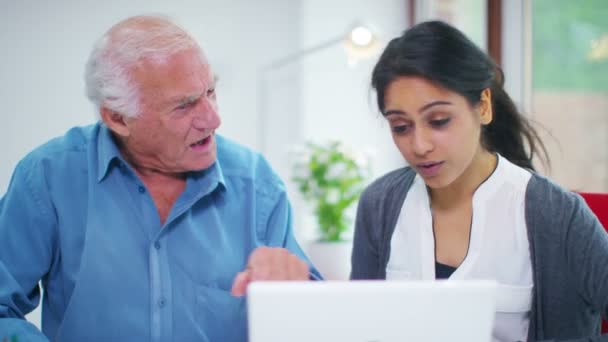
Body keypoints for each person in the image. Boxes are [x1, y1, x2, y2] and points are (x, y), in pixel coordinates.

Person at [0, 15, 320, 341]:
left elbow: (317, 314)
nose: (213, 118)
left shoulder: (257, 184)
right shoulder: (47, 178)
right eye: (184, 106)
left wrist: (297, 291)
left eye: (210, 91)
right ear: (117, 117)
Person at [351, 20, 608, 341]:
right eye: (401, 127)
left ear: (483, 107)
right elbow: (361, 324)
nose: (419, 145)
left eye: (439, 121)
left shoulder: (558, 216)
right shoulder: (379, 205)